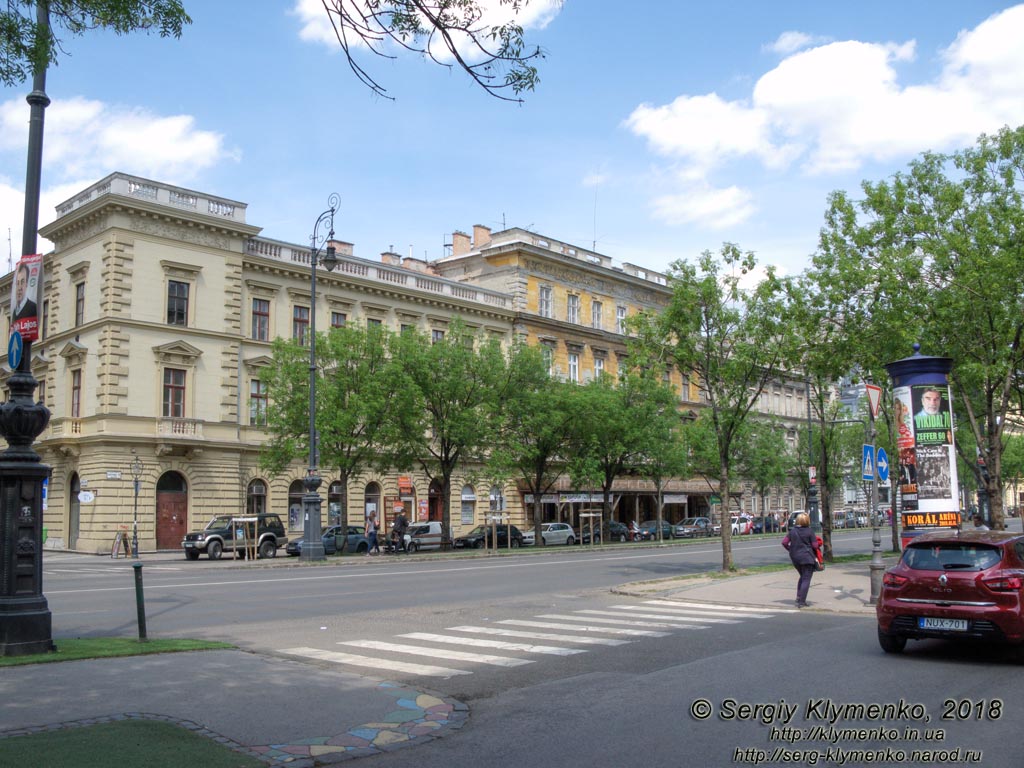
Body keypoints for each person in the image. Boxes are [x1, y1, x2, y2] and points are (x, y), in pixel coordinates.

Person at [781, 513, 820, 608]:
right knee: (806, 579)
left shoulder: (793, 531)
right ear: (807, 521)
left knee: (802, 576)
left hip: (795, 558)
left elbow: (784, 542)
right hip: (807, 558)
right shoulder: (810, 531)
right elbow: (815, 546)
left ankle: (799, 597)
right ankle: (802, 601)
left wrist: (791, 549)